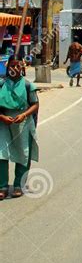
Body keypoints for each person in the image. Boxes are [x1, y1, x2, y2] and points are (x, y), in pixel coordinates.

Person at [0, 57, 39, 200]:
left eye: (18, 66)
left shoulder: (28, 85)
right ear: (7, 67)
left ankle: (18, 185)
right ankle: (2, 187)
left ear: (22, 67)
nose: (14, 69)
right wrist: (2, 117)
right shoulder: (1, 84)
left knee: (23, 153)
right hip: (4, 122)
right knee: (1, 154)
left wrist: (24, 115)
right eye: (12, 66)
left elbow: (35, 104)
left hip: (23, 122)